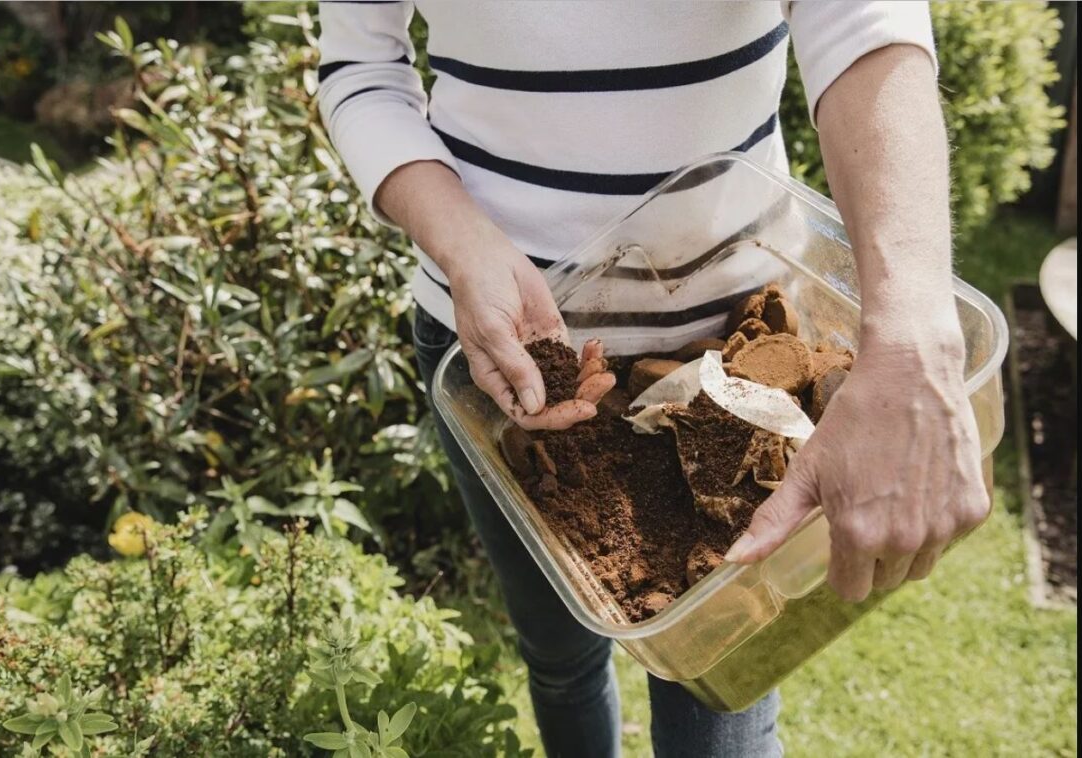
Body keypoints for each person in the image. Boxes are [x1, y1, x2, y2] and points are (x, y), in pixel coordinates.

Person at [318, 2, 990, 756]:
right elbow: (360, 64)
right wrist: (464, 244)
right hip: (504, 359)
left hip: (739, 355)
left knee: (720, 708)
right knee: (562, 656)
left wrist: (911, 347)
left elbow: (864, 20)